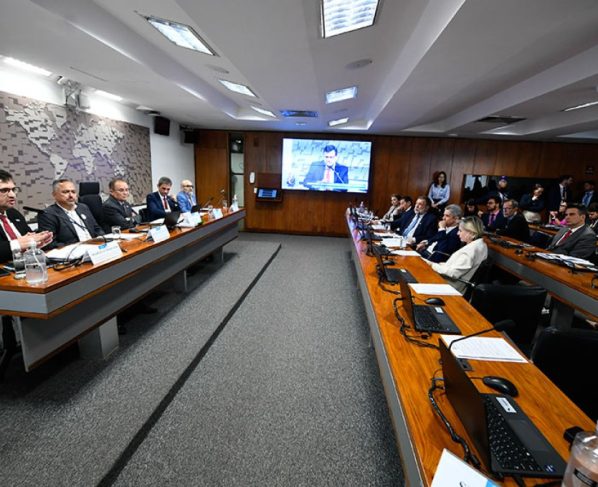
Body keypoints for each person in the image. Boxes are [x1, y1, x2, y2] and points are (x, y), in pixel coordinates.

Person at [424, 216, 488, 294]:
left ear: (472, 233)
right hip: (452, 281)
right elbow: (460, 266)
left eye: (460, 231)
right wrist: (444, 265)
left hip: (449, 285)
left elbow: (453, 273)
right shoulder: (482, 244)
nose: (458, 233)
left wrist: (432, 265)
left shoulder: (470, 251)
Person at [0, 170, 53, 262]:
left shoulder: (13, 213)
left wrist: (38, 241)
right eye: (4, 190)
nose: (13, 195)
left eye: (13, 190)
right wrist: (17, 244)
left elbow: (28, 239)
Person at [38, 178, 104, 248]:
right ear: (54, 195)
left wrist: (102, 238)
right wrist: (77, 247)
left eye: (73, 192)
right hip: (73, 251)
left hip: (95, 246)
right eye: (65, 192)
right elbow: (50, 243)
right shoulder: (48, 214)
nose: (71, 195)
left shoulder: (83, 207)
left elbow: (96, 228)